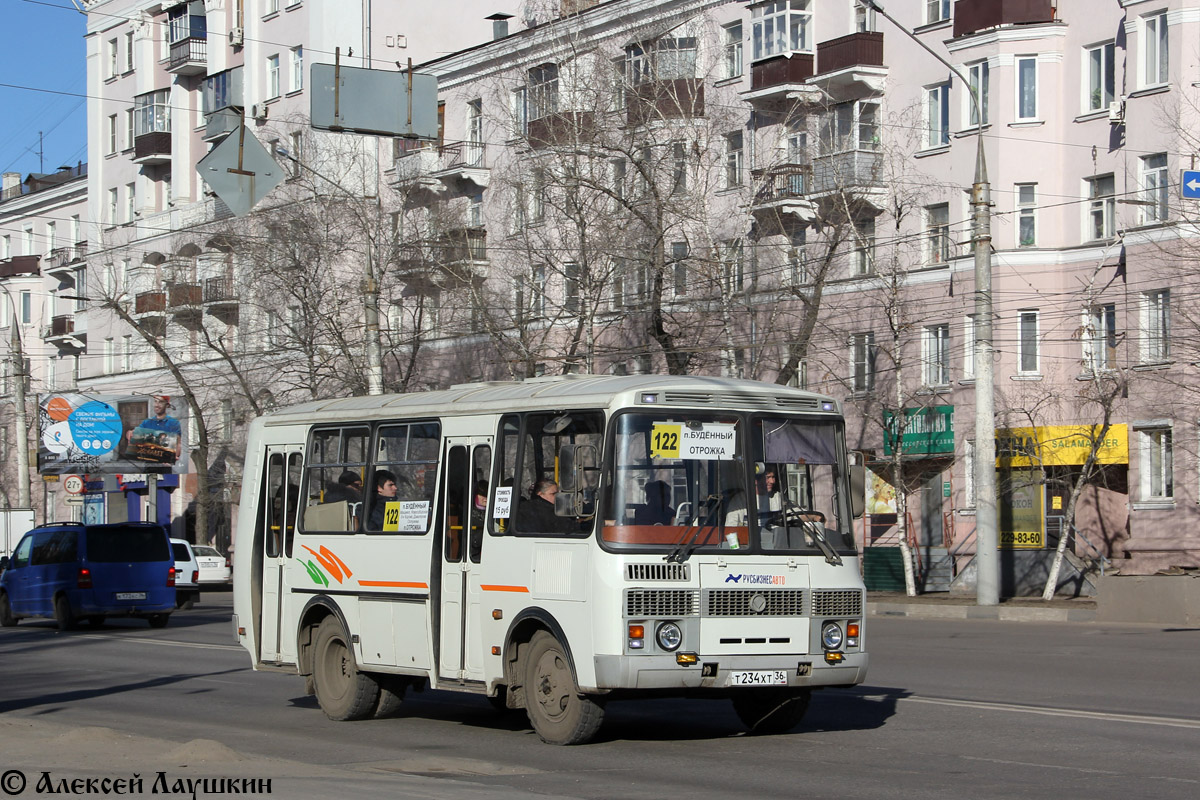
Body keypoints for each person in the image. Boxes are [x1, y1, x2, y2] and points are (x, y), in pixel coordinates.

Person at [127, 395, 183, 463]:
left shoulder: (174, 423)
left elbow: (178, 443)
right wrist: (130, 433)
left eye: (161, 402)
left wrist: (173, 458)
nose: (157, 405)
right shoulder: (147, 422)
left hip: (165, 463)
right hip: (148, 463)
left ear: (167, 405)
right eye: (155, 401)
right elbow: (135, 435)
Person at [468, 480, 488, 561]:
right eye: (482, 495)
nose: (485, 498)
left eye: (487, 495)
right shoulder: (470, 515)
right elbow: (474, 541)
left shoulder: (494, 514)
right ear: (475, 495)